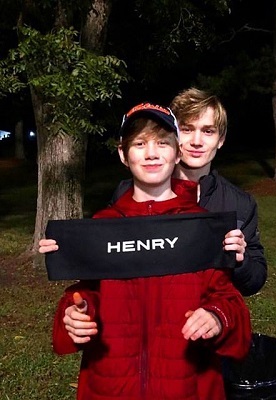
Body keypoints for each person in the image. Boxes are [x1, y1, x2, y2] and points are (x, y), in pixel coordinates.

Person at [39, 102, 252, 400]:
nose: (151, 153)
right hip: (111, 386)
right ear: (123, 155)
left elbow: (228, 302)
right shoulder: (103, 224)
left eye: (162, 143)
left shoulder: (202, 226)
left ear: (177, 153)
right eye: (139, 144)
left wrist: (217, 317)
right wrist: (77, 313)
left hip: (186, 385)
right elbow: (88, 294)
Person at [110, 87, 267, 296]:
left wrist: (241, 260)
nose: (196, 141)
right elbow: (109, 265)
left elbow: (255, 280)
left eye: (208, 131)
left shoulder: (239, 204)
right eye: (187, 129)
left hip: (207, 313)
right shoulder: (128, 192)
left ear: (221, 139)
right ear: (172, 136)